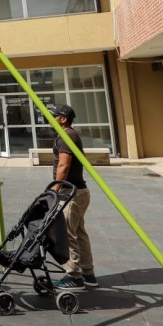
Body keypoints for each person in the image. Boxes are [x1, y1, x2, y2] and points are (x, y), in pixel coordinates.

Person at [49, 104, 98, 290]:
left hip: (71, 193)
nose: (50, 118)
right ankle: (88, 273)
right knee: (79, 232)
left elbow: (64, 165)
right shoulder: (72, 134)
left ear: (63, 119)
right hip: (80, 191)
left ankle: (74, 276)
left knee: (67, 234)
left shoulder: (65, 136)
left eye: (54, 115)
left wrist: (55, 188)